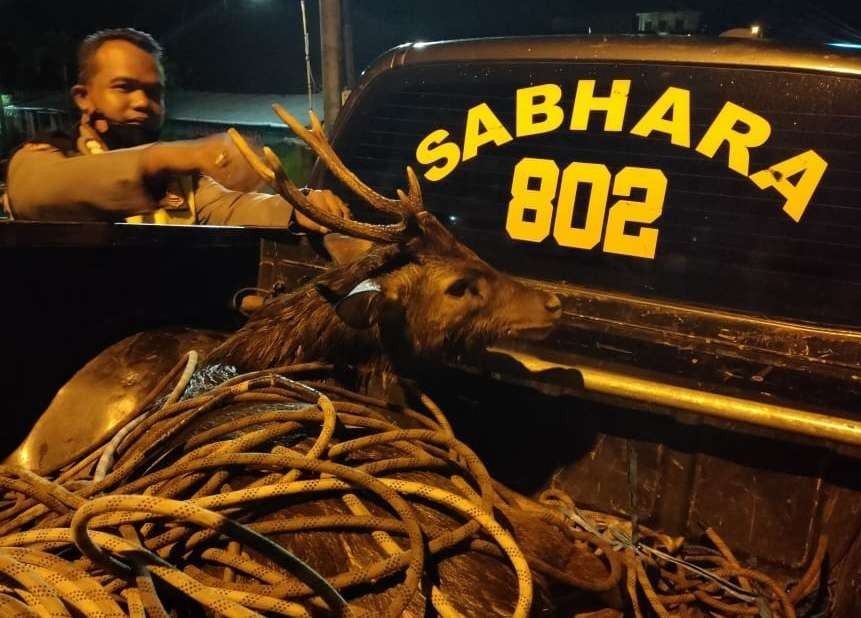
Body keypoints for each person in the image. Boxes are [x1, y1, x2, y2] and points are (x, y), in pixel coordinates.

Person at [2, 28, 348, 228]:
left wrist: (301, 206)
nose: (142, 102)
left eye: (154, 92)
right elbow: (34, 193)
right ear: (83, 97)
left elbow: (234, 206)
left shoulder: (182, 182)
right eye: (124, 87)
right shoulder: (46, 156)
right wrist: (171, 155)